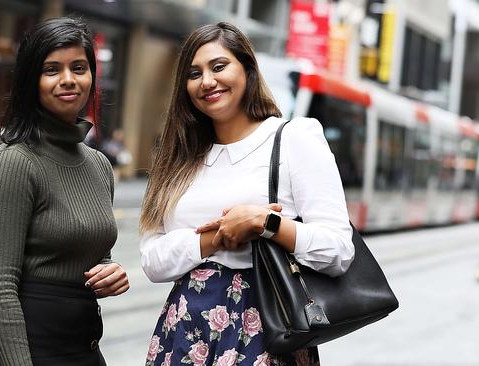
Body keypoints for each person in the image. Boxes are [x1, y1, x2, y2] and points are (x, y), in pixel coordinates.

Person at [139, 22, 355, 366]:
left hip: (269, 327)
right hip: (185, 330)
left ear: (248, 69)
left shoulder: (294, 138)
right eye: (194, 74)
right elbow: (153, 260)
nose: (207, 81)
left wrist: (264, 222)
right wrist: (218, 237)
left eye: (219, 66)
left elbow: (339, 251)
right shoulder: (177, 155)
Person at [0, 17, 129, 366]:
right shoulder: (13, 161)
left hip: (81, 344)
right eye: (52, 69)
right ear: (31, 81)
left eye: (78, 67)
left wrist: (109, 270)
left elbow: (87, 251)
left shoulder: (98, 165)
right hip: (18, 349)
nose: (68, 80)